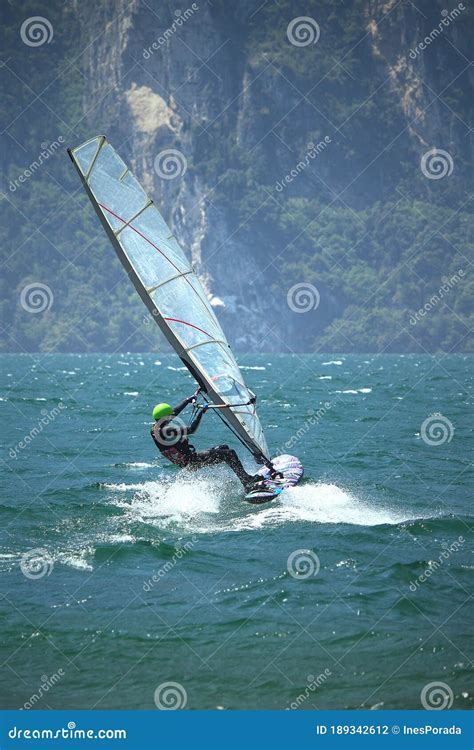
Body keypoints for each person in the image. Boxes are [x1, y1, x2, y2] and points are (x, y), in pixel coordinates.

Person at [150, 391, 259, 491]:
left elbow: (173, 413)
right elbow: (192, 429)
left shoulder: (155, 428)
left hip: (188, 460)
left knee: (223, 448)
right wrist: (201, 412)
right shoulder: (166, 430)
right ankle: (246, 481)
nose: (172, 417)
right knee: (229, 454)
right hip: (191, 461)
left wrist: (187, 400)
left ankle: (237, 477)